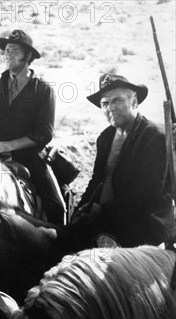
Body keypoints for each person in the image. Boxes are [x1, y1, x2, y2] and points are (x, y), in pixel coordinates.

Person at [0, 29, 65, 224]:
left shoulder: (43, 90)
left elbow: (44, 134)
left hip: (31, 158)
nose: (8, 55)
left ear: (28, 55)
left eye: (14, 51)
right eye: (6, 51)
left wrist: (7, 146)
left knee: (57, 207)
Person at [70, 73, 175, 247]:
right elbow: (97, 180)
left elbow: (148, 194)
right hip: (107, 219)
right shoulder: (105, 137)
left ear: (134, 102)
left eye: (117, 100)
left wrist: (102, 211)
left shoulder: (154, 137)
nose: (110, 107)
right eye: (105, 103)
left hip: (145, 225)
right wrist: (79, 211)